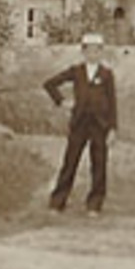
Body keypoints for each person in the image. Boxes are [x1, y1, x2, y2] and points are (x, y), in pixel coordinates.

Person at [44, 33, 118, 215]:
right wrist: (62, 102)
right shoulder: (76, 71)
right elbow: (50, 84)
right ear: (83, 52)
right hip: (79, 123)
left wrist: (113, 128)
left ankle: (95, 204)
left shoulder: (106, 74)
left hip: (100, 125)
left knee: (99, 163)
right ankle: (57, 201)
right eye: (89, 50)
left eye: (96, 50)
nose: (92, 54)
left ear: (101, 52)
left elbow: (112, 102)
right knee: (70, 162)